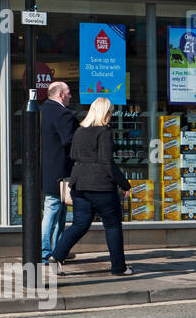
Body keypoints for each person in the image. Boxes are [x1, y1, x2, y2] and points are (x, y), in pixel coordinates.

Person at [48, 96, 134, 276]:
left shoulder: (79, 131)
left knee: (79, 225)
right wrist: (125, 184)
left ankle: (56, 255)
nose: (111, 115)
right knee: (112, 226)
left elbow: (72, 155)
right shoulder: (104, 132)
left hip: (79, 185)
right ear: (106, 113)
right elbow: (107, 163)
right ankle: (119, 267)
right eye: (110, 112)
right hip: (101, 186)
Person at [39, 81, 78, 264]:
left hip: (45, 169)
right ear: (61, 95)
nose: (71, 96)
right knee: (54, 208)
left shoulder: (40, 110)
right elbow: (69, 142)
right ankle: (47, 251)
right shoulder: (63, 114)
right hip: (59, 170)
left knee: (57, 209)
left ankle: (57, 250)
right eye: (69, 93)